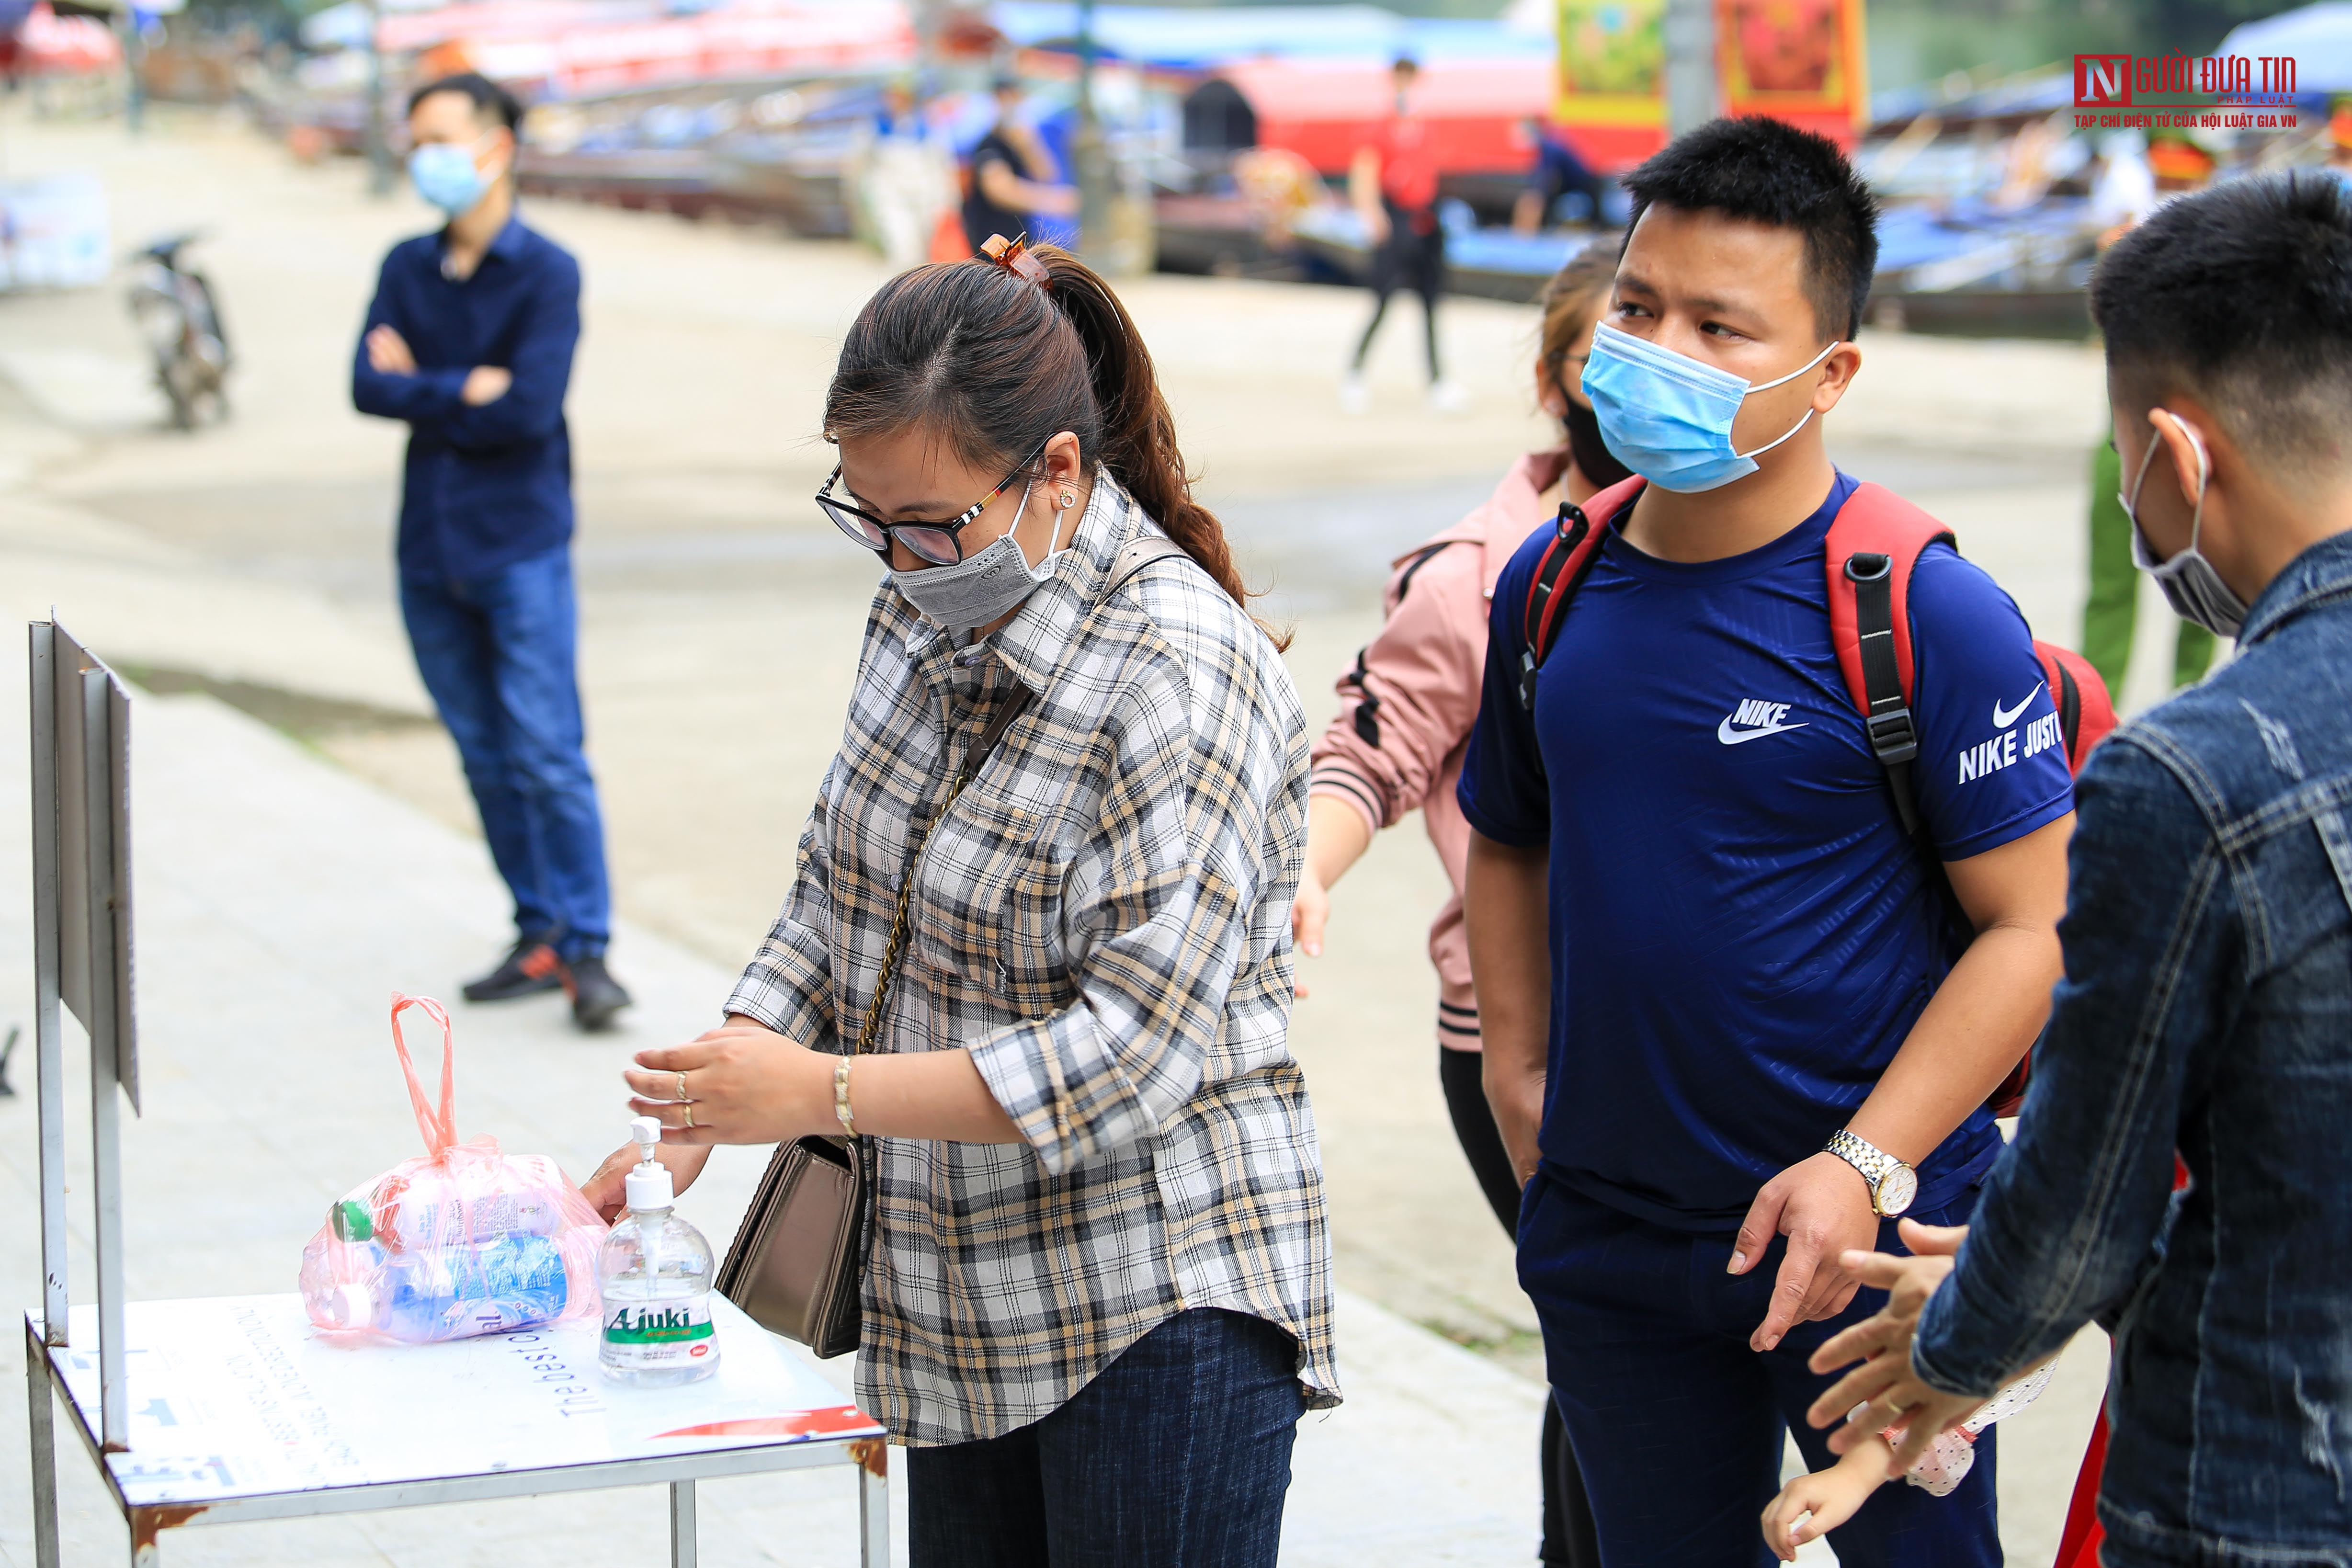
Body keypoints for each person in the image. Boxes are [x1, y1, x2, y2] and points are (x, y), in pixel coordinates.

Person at [579, 237, 1339, 1568]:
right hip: (955, 1290)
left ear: (1055, 472)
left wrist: (813, 1094)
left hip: (1151, 1303)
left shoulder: (1178, 671)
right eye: (865, 519)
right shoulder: (925, 604)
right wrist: (694, 1112)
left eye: (928, 524)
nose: (899, 559)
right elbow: (836, 894)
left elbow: (1128, 1061)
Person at [1456, 116, 2074, 1565]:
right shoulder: (1550, 584)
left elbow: (2032, 926)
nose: (1656, 348)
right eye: (1635, 306)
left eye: (1718, 326)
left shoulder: (1920, 608)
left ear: (1828, 372)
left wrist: (1863, 1154)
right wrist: (1514, 1064)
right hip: (1611, 1235)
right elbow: (1507, 831)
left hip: (1868, 1242)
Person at [1803, 170, 2352, 1568]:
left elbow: (2080, 1193)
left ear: (2174, 452)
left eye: (2124, 465)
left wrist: (1955, 1341)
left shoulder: (2190, 773)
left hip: (2260, 1486)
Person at [1296, 241, 1626, 1568]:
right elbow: (1363, 753)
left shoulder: (1776, 550)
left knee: (1662, 1348)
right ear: (1552, 382)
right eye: (1615, 348)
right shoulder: (1480, 576)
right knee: (1609, 1334)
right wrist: (1302, 878)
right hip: (1521, 1037)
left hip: (1713, 1032)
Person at [352, 72, 630, 1032]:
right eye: (413, 139)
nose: (422, 157)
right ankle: (538, 926)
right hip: (428, 547)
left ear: (497, 145)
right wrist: (460, 385)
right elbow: (363, 387)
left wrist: (430, 387)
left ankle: (588, 948)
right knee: (481, 752)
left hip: (518, 542)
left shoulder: (547, 271)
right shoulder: (405, 266)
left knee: (547, 750)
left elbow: (526, 408)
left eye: (440, 138)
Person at [2082, 128, 2218, 699]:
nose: (2171, 191)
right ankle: (2096, 708)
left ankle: (2190, 697)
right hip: (2127, 444)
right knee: (2113, 586)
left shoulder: (2221, 255)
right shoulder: (2129, 245)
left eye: (2182, 182)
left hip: (2197, 444)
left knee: (2207, 590)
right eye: (2165, 180)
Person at [1341, 56, 1465, 415]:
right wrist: (1372, 215)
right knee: (1383, 302)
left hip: (1424, 220)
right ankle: (1355, 374)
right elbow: (1364, 172)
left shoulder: (1424, 126)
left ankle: (1437, 381)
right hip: (1395, 220)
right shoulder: (1380, 128)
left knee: (1430, 304)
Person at [960, 73, 1076, 256]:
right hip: (993, 241)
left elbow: (1047, 174)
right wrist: (1052, 201)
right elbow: (1001, 190)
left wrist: (1029, 144)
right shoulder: (989, 144)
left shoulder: (1022, 139)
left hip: (1018, 239)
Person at [858, 77, 954, 275]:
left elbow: (942, 163)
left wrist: (947, 199)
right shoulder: (875, 126)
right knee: (903, 247)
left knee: (928, 250)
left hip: (925, 196)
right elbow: (862, 165)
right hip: (892, 197)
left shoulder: (927, 125)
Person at [1512, 120, 1605, 234]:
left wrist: (1535, 200)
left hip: (1585, 184)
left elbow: (1545, 180)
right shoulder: (1548, 146)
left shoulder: (1550, 148)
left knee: (1534, 200)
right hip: (1578, 183)